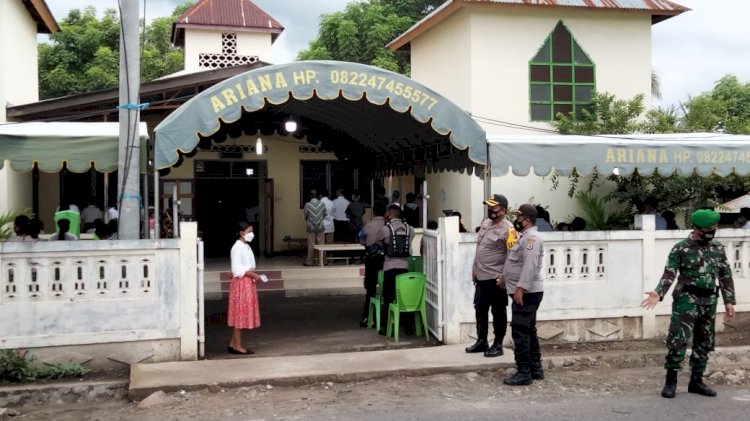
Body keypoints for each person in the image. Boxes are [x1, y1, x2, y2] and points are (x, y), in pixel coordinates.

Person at [641, 209, 736, 399]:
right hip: (686, 300)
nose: (713, 230)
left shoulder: (717, 248)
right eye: (708, 228)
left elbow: (725, 275)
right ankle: (671, 381)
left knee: (704, 341)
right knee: (678, 339)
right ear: (696, 228)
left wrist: (729, 301)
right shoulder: (680, 248)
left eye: (714, 227)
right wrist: (659, 293)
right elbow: (670, 273)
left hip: (709, 300)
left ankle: (696, 381)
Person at [466, 194, 516, 358]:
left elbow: (512, 256)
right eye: (489, 206)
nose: (490, 210)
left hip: (496, 279)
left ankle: (498, 344)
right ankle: (482, 341)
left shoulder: (509, 229)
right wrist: (474, 268)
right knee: (480, 309)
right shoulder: (485, 223)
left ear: (503, 209)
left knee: (498, 312)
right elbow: (479, 247)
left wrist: (504, 277)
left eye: (493, 207)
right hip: (481, 277)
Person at [501, 204, 544, 386]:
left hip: (526, 292)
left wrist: (520, 288)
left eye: (518, 217)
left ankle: (524, 372)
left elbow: (529, 266)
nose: (516, 220)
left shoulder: (531, 239)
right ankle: (535, 368)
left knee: (520, 332)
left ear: (527, 219)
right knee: (529, 330)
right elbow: (516, 263)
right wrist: (504, 278)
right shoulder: (525, 237)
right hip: (525, 291)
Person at [376, 204, 414, 335]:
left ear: (389, 215)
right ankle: (408, 327)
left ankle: (386, 327)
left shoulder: (386, 229)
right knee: (404, 299)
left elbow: (377, 241)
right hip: (404, 268)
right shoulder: (410, 229)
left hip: (389, 267)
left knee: (388, 298)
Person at [227, 222, 262, 355]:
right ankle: (237, 346)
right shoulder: (237, 247)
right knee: (240, 315)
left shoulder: (244, 246)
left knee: (241, 314)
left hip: (246, 282)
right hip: (242, 283)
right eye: (249, 231)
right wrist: (252, 274)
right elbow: (237, 269)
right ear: (242, 233)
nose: (251, 234)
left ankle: (233, 343)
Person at [359, 202, 387, 327]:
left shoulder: (368, 225)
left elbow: (361, 240)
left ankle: (367, 317)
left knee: (370, 289)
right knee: (386, 289)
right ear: (385, 212)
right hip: (386, 260)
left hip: (371, 260)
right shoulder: (387, 225)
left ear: (374, 212)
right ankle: (385, 317)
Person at [303, 189, 326, 266]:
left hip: (311, 227)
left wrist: (310, 220)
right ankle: (322, 261)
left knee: (311, 244)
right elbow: (325, 214)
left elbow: (305, 216)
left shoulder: (307, 204)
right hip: (320, 227)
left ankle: (309, 262)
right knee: (321, 244)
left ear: (310, 195)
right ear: (318, 195)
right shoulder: (322, 204)